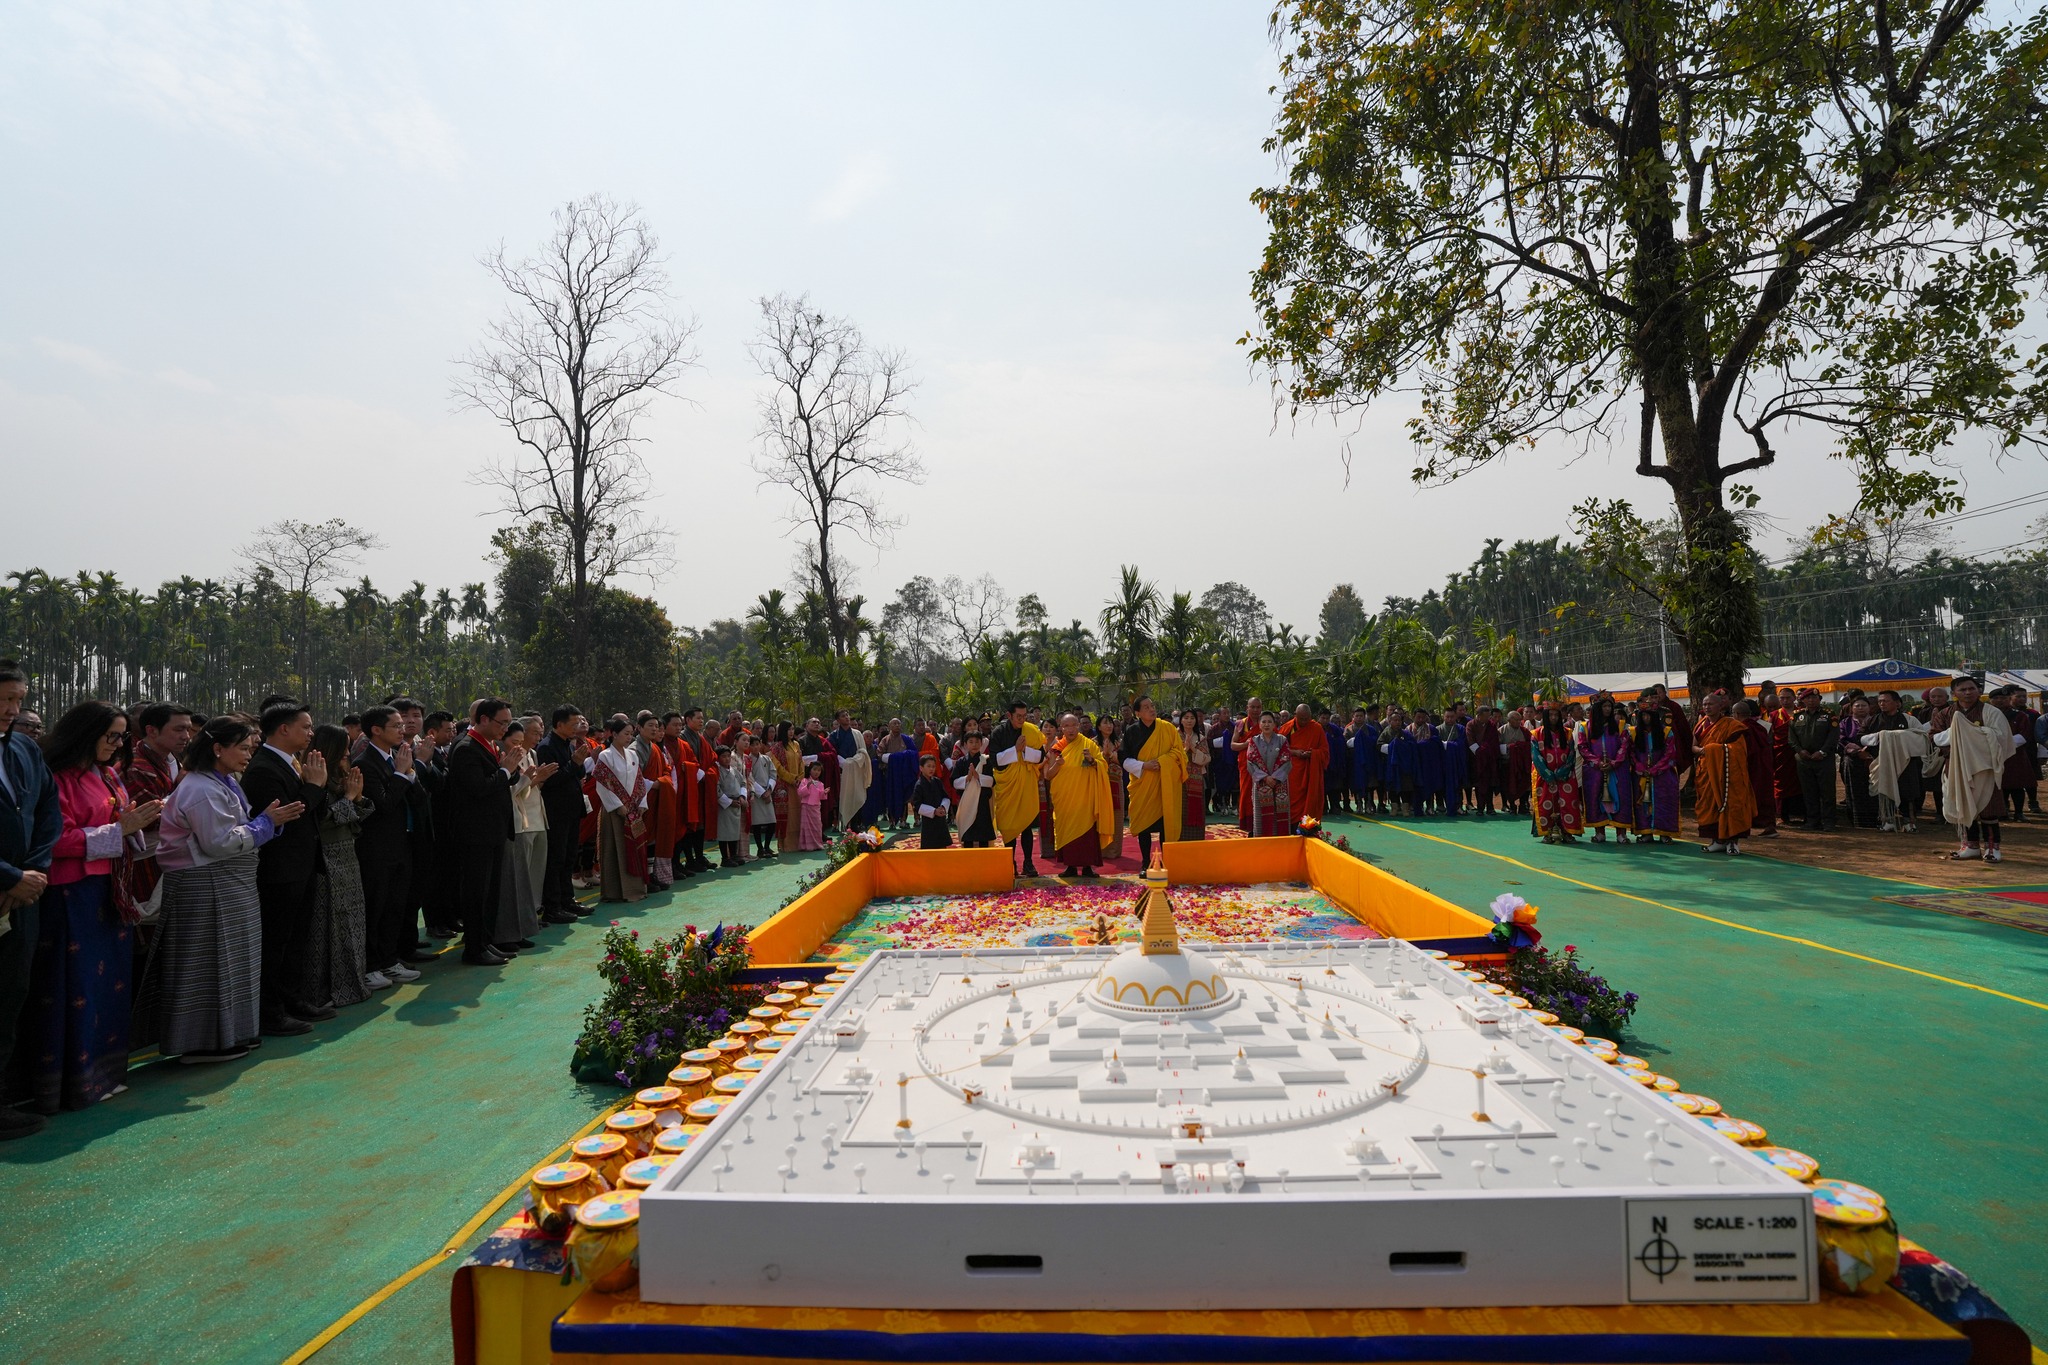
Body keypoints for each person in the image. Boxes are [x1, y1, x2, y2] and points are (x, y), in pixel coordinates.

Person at [13, 703, 155, 1112]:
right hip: (72, 893)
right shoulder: (57, 777)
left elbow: (120, 825)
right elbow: (57, 840)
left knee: (109, 986)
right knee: (76, 987)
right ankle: (72, 1082)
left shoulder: (107, 773)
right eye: (111, 736)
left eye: (121, 737)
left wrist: (130, 826)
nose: (117, 744)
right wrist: (119, 829)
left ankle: (103, 1073)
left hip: (110, 890)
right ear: (85, 733)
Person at [155, 716, 303, 1063]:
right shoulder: (201, 789)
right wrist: (266, 823)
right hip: (206, 885)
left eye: (250, 748)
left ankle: (231, 1033)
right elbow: (218, 842)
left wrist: (265, 823)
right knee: (209, 965)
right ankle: (203, 1043)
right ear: (218, 749)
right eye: (243, 748)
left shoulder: (221, 782)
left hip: (225, 884)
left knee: (234, 961)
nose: (249, 755)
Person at [240, 703, 334, 1033]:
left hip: (300, 866)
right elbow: (289, 816)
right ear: (283, 729)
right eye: (305, 727)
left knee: (296, 939)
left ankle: (293, 999)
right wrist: (314, 787)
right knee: (276, 942)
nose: (310, 733)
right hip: (279, 869)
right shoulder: (264, 769)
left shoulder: (293, 764)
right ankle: (271, 1012)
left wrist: (315, 786)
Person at [0, 662, 62, 1137]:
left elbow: (47, 812)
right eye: (5, 699)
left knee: (9, 996)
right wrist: (8, 876)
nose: (13, 710)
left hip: (21, 901)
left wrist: (32, 872)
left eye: (18, 700)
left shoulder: (23, 748)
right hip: (11, 887)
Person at [354, 704, 432, 992]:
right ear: (376, 730)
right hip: (377, 848)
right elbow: (383, 806)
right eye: (396, 725)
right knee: (376, 907)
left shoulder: (398, 757)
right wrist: (400, 774)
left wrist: (410, 773)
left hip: (402, 843)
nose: (403, 729)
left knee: (396, 906)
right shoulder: (365, 764)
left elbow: (419, 799)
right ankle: (371, 965)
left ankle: (389, 959)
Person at [303, 723, 378, 1005]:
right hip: (327, 858)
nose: (348, 752)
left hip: (347, 855)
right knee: (328, 926)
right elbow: (321, 820)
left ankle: (352, 981)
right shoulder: (313, 777)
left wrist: (356, 798)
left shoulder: (339, 775)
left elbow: (354, 815)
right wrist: (348, 799)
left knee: (351, 921)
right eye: (344, 747)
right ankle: (324, 989)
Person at [446, 699, 519, 964]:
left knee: (490, 892)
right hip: (475, 833)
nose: (505, 728)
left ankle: (486, 941)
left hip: (493, 831)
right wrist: (505, 770)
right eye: (502, 723)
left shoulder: (490, 745)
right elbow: (478, 788)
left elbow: (501, 780)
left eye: (508, 723)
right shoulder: (466, 748)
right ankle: (474, 948)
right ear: (484, 719)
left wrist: (510, 770)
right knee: (477, 892)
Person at [1933, 675, 2012, 862]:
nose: (1967, 692)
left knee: (1988, 808)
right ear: (1954, 693)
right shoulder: (1945, 714)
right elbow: (1934, 737)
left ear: (1979, 691)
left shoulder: (1992, 712)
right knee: (1962, 805)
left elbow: (2001, 737)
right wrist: (1959, 732)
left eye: (1971, 689)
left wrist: (1970, 732)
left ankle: (1992, 849)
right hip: (1956, 766)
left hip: (1984, 767)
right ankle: (1970, 846)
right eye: (1962, 690)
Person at [495, 724, 549, 955]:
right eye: (513, 742)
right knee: (510, 883)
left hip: (522, 820)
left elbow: (522, 790)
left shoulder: (525, 756)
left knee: (522, 881)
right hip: (509, 824)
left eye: (520, 742)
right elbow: (505, 791)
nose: (518, 747)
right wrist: (529, 779)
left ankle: (520, 929)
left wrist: (531, 780)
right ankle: (507, 933)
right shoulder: (501, 758)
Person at [534, 706, 590, 921]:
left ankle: (568, 900)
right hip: (556, 812)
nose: (578, 727)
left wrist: (578, 762)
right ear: (559, 724)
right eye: (574, 723)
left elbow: (578, 773)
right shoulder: (547, 747)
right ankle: (553, 906)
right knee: (556, 859)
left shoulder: (568, 744)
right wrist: (574, 763)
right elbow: (551, 781)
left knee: (569, 858)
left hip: (572, 810)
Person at [1043, 712, 1116, 877]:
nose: (1070, 729)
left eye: (1074, 725)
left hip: (1085, 796)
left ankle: (1088, 866)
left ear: (1079, 726)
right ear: (1061, 728)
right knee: (1066, 830)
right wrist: (1058, 765)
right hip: (1064, 798)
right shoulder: (1057, 748)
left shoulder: (1088, 744)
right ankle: (1070, 866)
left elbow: (1103, 766)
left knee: (1087, 831)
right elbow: (1048, 775)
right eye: (1066, 726)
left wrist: (1092, 760)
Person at [1121, 697, 1189, 868]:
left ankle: (1167, 862)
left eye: (1152, 706)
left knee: (1165, 825)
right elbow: (1123, 758)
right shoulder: (1131, 731)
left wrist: (1162, 762)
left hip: (1165, 785)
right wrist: (1144, 765)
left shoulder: (1167, 728)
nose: (1151, 709)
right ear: (1137, 713)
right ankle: (1145, 863)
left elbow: (1179, 753)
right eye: (1146, 707)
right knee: (1143, 827)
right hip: (1142, 784)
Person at [987, 702, 1048, 876]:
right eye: (1018, 716)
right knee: (1008, 827)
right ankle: (1010, 862)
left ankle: (1028, 862)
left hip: (1026, 782)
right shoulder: (998, 733)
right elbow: (994, 760)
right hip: (1007, 784)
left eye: (1024, 716)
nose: (1022, 720)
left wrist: (1024, 751)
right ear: (1009, 715)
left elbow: (1041, 756)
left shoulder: (1031, 731)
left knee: (1026, 824)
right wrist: (1015, 750)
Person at [1693, 691, 1756, 855]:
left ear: (1720, 706)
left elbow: (1739, 749)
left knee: (1731, 803)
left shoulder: (1732, 725)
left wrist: (1712, 749)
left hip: (1729, 774)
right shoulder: (1700, 725)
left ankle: (1732, 842)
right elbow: (1693, 746)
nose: (1707, 707)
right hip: (1707, 772)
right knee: (1710, 804)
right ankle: (1717, 841)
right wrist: (1702, 750)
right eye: (1705, 704)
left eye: (1711, 704)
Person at [594, 716, 650, 897]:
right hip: (615, 811)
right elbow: (603, 785)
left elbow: (639, 781)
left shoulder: (632, 755)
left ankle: (636, 888)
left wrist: (642, 803)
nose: (629, 737)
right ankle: (615, 892)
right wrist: (618, 806)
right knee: (615, 848)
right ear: (614, 734)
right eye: (626, 734)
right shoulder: (605, 756)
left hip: (633, 809)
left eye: (631, 734)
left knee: (634, 848)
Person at [1579, 696, 1633, 842]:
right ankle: (1599, 832)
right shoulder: (1585, 727)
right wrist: (1598, 763)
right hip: (1595, 770)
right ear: (1597, 708)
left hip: (1617, 769)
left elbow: (1624, 746)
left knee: (1620, 797)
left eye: (1610, 706)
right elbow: (1583, 747)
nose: (1608, 709)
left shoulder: (1620, 726)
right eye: (1604, 706)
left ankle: (1621, 834)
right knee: (1595, 797)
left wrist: (1614, 763)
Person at [1788, 691, 1840, 833]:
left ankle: (1829, 822)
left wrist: (1822, 752)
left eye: (1814, 697)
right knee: (1809, 791)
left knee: (1827, 792)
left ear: (1819, 699)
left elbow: (1833, 736)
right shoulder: (1797, 716)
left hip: (1824, 760)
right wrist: (1800, 751)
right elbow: (1791, 738)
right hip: (1804, 760)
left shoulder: (1829, 715)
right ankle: (1812, 821)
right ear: (1803, 700)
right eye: (1808, 698)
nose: (1811, 700)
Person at [1530, 705, 1583, 844]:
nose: (1553, 718)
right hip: (1545, 776)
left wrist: (1563, 772)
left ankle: (1567, 832)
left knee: (1568, 804)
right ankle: (1547, 833)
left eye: (1556, 715)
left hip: (1566, 776)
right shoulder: (1536, 734)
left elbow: (1571, 754)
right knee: (1546, 804)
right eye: (1550, 715)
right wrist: (1548, 774)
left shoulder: (1568, 733)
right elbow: (1536, 756)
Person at [1630, 701, 1681, 842]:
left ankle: (1665, 833)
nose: (1646, 718)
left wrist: (1656, 769)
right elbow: (1631, 753)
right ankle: (1646, 832)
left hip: (1663, 775)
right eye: (1643, 715)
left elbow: (1670, 754)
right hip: (1641, 774)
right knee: (1642, 803)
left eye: (1649, 715)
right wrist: (1639, 766)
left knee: (1664, 802)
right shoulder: (1633, 732)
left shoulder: (1666, 732)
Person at [1245, 711, 1293, 836]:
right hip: (1261, 783)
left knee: (1279, 815)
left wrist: (1275, 778)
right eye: (1264, 722)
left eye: (1270, 722)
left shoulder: (1282, 740)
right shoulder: (1254, 741)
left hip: (1280, 783)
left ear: (1274, 724)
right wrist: (1265, 778)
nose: (1267, 724)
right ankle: (1262, 842)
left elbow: (1287, 761)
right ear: (1259, 724)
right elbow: (1251, 762)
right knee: (1260, 816)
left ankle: (1281, 842)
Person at [1280, 703, 1329, 822]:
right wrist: (1295, 752)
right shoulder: (1287, 728)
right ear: (1295, 715)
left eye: (1307, 719)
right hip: (1292, 772)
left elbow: (1325, 752)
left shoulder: (1316, 728)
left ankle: (1307, 826)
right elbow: (1278, 750)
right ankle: (1291, 825)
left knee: (1310, 800)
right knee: (1291, 799)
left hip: (1310, 772)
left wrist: (1313, 753)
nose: (1304, 721)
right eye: (1301, 719)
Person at [950, 731, 996, 849]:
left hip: (982, 801)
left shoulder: (986, 760)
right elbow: (954, 782)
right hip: (967, 801)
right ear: (965, 744)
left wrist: (978, 776)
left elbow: (992, 781)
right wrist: (967, 778)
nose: (974, 744)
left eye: (977, 742)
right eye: (971, 742)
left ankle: (984, 857)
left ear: (981, 743)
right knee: (968, 835)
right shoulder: (961, 762)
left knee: (983, 836)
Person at [770, 722, 804, 853]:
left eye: (792, 729)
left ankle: (798, 843)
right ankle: (786, 844)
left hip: (797, 785)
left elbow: (801, 762)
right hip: (784, 785)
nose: (791, 732)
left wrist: (800, 777)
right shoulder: (777, 747)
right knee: (787, 815)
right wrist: (791, 778)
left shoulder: (796, 744)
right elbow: (777, 766)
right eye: (788, 729)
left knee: (797, 813)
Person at [1178, 707, 1208, 840]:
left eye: (1192, 718)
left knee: (1197, 809)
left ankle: (1196, 840)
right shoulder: (1174, 736)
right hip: (1179, 779)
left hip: (1196, 780)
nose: (1189, 721)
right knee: (1181, 810)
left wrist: (1194, 750)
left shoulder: (1201, 737)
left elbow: (1207, 758)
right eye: (1186, 718)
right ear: (1181, 720)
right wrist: (1185, 749)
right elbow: (1170, 757)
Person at [715, 743, 747, 866]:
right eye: (723, 756)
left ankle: (734, 855)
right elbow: (717, 790)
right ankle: (725, 858)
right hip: (725, 805)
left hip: (736, 802)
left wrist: (742, 796)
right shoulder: (717, 771)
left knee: (734, 832)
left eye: (728, 756)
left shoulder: (734, 770)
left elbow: (743, 783)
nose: (727, 759)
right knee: (724, 833)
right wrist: (729, 802)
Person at [912, 754, 952, 849]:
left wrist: (943, 807)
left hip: (941, 819)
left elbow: (946, 797)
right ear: (921, 768)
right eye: (928, 766)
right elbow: (917, 805)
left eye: (933, 766)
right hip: (928, 822)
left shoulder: (937, 781)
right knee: (930, 847)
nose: (931, 769)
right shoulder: (919, 785)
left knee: (942, 848)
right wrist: (934, 811)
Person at [838, 729, 874, 832]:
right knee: (844, 798)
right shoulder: (835, 735)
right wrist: (843, 763)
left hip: (858, 772)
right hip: (841, 772)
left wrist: (851, 762)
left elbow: (863, 752)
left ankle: (855, 825)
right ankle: (844, 825)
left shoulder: (857, 735)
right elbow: (833, 752)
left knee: (858, 798)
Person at [795, 771, 826, 851]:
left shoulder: (820, 784)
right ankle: (806, 846)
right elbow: (800, 793)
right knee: (806, 827)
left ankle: (817, 844)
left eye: (819, 770)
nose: (817, 772)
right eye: (815, 769)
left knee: (818, 826)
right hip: (806, 806)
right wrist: (807, 786)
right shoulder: (804, 781)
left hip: (816, 807)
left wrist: (824, 792)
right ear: (810, 770)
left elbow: (821, 796)